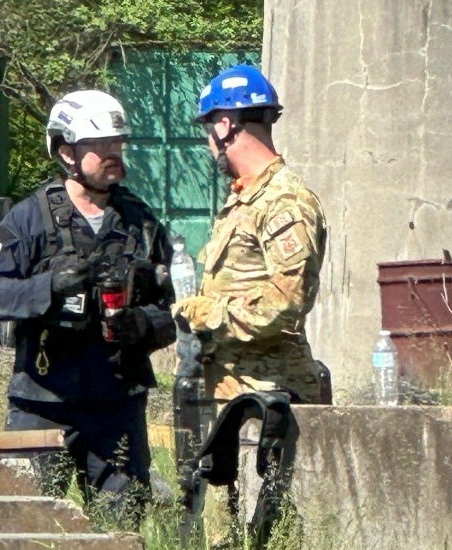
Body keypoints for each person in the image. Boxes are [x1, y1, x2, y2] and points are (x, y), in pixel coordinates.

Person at [0, 90, 176, 526]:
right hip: (42, 405)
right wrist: (49, 287)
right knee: (21, 526)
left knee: (121, 530)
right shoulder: (28, 221)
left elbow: (170, 313)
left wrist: (142, 323)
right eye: (100, 146)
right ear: (66, 151)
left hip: (118, 407)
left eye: (117, 144)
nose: (113, 154)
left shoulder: (142, 225)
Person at [171, 65, 328, 544]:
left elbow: (289, 298)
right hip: (232, 401)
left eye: (207, 130)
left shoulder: (284, 202)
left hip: (269, 403)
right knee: (225, 533)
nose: (207, 145)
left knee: (269, 533)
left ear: (225, 125)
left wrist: (209, 315)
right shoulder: (243, 201)